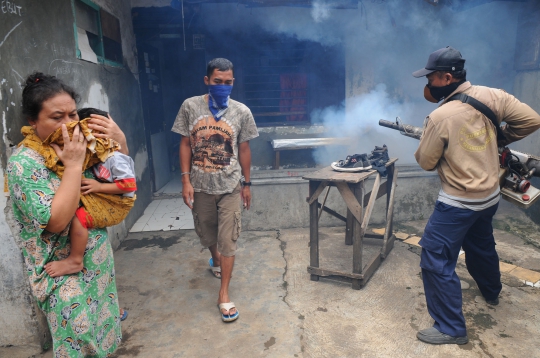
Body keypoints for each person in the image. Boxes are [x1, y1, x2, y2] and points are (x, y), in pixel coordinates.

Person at [412, 46, 540, 345]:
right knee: (481, 245)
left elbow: (426, 162)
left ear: (445, 77)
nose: (428, 83)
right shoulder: (494, 96)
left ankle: (450, 328)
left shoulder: (440, 116)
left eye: (431, 77)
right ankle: (492, 292)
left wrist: (440, 143)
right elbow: (532, 120)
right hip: (490, 197)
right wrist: (499, 137)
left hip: (458, 203)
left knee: (435, 257)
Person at [7, 72, 128, 356]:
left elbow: (120, 176)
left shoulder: (80, 144)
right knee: (77, 343)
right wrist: (73, 167)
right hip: (61, 277)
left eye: (73, 114)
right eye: (56, 117)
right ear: (32, 121)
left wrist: (119, 139)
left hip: (96, 265)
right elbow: (58, 221)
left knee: (102, 336)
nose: (69, 124)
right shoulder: (24, 163)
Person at [171, 58, 259, 322]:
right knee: (207, 233)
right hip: (200, 186)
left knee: (228, 239)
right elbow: (185, 144)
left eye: (228, 82)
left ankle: (224, 294)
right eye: (217, 82)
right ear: (207, 80)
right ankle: (216, 262)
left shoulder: (242, 111)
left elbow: (244, 149)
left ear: (233, 82)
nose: (223, 86)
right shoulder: (190, 106)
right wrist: (185, 180)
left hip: (231, 186)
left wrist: (247, 184)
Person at [20, 107, 137, 278]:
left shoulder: (114, 157)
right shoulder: (95, 153)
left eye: (98, 132)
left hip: (117, 201)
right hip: (107, 200)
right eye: (86, 132)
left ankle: (75, 259)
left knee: (78, 219)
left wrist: (99, 187)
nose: (89, 137)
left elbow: (129, 185)